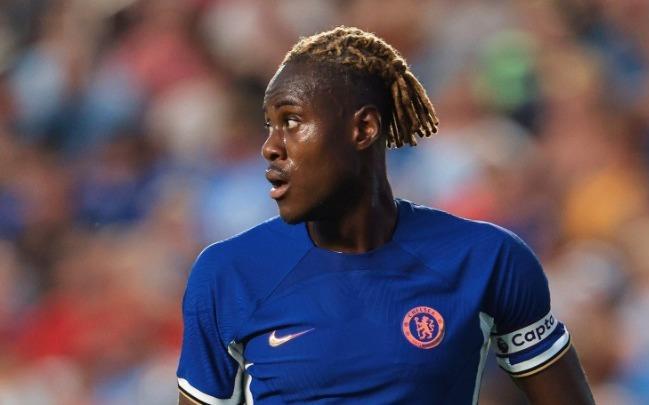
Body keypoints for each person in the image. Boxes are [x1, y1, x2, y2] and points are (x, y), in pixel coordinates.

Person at [176, 26, 594, 405]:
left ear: (364, 128)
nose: (270, 147)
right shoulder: (227, 273)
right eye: (269, 125)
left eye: (291, 121)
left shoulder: (488, 258)